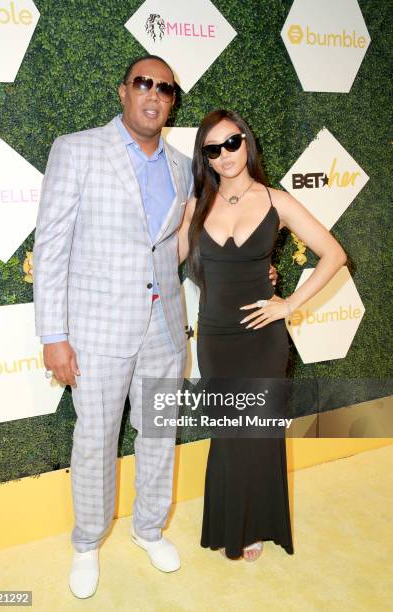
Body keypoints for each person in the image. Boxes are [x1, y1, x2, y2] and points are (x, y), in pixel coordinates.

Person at [33, 57, 278, 597]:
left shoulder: (179, 166)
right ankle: (87, 542)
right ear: (124, 91)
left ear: (172, 101)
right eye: (143, 83)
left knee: (158, 434)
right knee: (95, 438)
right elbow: (50, 249)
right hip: (97, 330)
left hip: (165, 327)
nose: (153, 94)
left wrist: (255, 267)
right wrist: (53, 336)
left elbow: (189, 242)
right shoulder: (76, 150)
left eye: (165, 88)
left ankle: (147, 529)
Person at [178, 109, 347, 561]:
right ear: (206, 159)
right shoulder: (195, 207)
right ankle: (234, 523)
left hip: (263, 338)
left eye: (231, 143)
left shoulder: (277, 201)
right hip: (216, 337)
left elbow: (333, 254)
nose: (225, 155)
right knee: (230, 434)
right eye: (213, 150)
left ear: (246, 142)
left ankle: (256, 524)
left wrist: (288, 304)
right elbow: (166, 260)